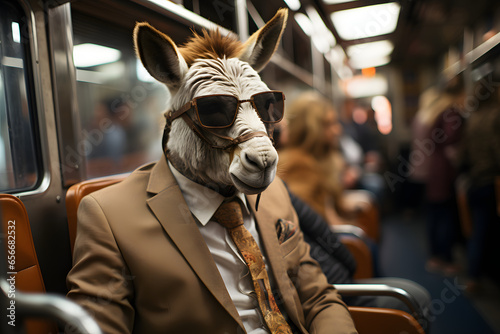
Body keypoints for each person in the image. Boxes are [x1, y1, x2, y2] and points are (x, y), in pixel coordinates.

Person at [67, 11, 358, 334]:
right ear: (178, 117)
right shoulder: (109, 217)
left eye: (264, 107)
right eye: (213, 110)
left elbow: (317, 297)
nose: (265, 156)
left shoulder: (272, 192)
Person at [288, 189, 431, 332]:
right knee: (416, 297)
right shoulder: (282, 188)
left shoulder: (277, 189)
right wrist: (351, 267)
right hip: (338, 289)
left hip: (325, 285)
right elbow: (324, 232)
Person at [277, 91, 377, 233]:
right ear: (311, 129)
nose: (338, 130)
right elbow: (313, 224)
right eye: (329, 124)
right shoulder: (298, 164)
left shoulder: (323, 158)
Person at [420, 75, 465, 275]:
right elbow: (451, 141)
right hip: (445, 172)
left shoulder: (435, 112)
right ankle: (447, 259)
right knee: (446, 216)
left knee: (435, 215)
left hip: (435, 170)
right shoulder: (451, 113)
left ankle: (435, 256)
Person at [460, 71, 500, 291]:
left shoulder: (473, 118)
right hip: (491, 182)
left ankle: (476, 275)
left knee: (479, 233)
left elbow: (462, 155)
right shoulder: (496, 115)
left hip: (475, 181)